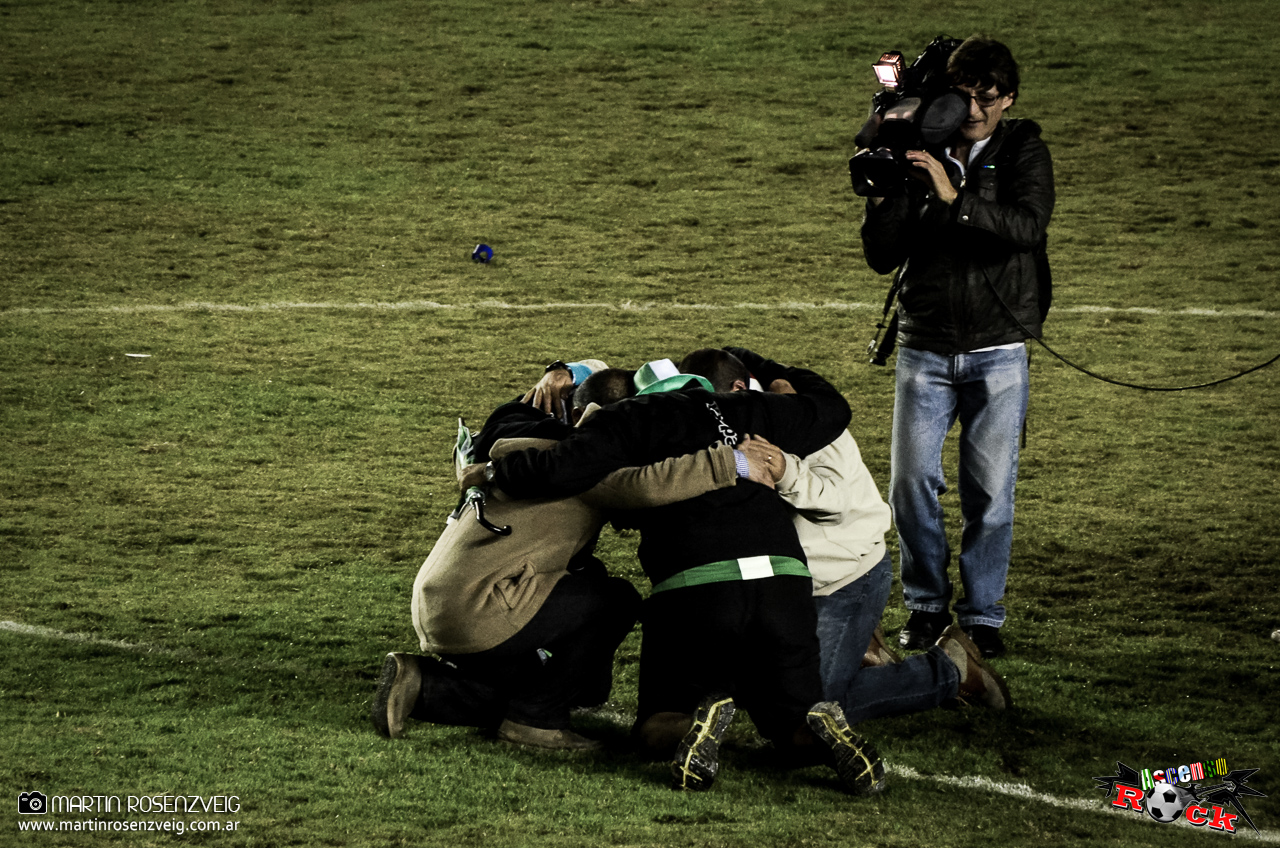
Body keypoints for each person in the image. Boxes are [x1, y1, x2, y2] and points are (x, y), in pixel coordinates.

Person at [476, 349, 887, 796]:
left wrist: (490, 469)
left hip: (697, 588)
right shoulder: (750, 408)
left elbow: (557, 470)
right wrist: (766, 367)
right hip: (784, 585)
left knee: (655, 724)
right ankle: (820, 731)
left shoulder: (632, 419)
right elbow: (832, 406)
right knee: (789, 727)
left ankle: (695, 723)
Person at [370, 364, 769, 750]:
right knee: (616, 601)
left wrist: (562, 370)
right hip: (483, 608)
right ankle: (536, 720)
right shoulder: (583, 462)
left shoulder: (521, 438)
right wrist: (730, 462)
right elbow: (647, 486)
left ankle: (424, 685)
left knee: (567, 677)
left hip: (441, 599)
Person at [860, 35, 1055, 658]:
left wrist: (954, 197)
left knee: (991, 493)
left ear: (1009, 99)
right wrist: (889, 188)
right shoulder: (920, 144)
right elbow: (881, 255)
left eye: (986, 97)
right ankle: (924, 608)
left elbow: (1027, 227)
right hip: (926, 342)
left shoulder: (1023, 145)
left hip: (998, 347)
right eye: (963, 95)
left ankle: (982, 617)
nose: (973, 110)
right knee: (910, 484)